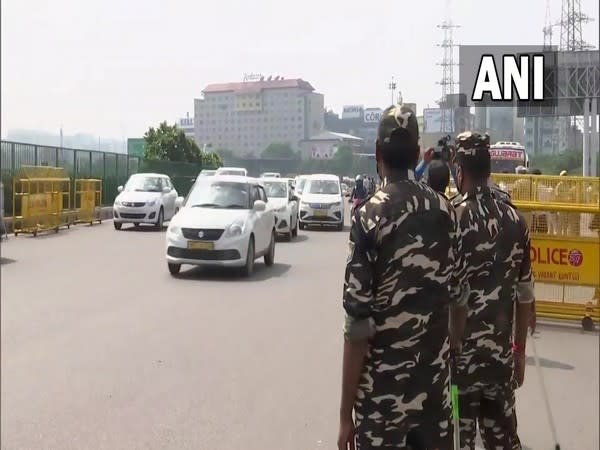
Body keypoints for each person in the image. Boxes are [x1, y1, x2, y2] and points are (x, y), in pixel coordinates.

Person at [338, 104, 469, 450]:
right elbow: (459, 298)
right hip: (434, 403)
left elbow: (357, 327)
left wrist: (344, 415)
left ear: (377, 154)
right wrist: (451, 347)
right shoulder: (446, 211)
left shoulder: (369, 215)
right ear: (415, 154)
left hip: (382, 406)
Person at [450, 131, 533, 450]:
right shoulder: (515, 220)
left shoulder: (451, 218)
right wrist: (519, 352)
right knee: (503, 441)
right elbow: (525, 294)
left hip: (459, 368)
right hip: (500, 363)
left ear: (459, 170)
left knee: (460, 441)